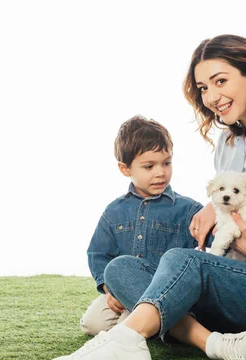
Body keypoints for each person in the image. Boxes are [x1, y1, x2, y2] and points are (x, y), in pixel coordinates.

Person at [46, 34, 246, 360]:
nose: (212, 96)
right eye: (204, 87)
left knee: (183, 260)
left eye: (220, 81)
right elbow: (232, 197)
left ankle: (127, 339)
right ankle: (216, 343)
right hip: (234, 289)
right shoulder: (227, 142)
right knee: (121, 269)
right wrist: (209, 207)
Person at [79, 114, 203, 337]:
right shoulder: (114, 211)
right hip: (120, 290)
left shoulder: (188, 209)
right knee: (92, 324)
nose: (160, 172)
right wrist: (109, 289)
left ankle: (164, 323)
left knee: (130, 326)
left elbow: (214, 244)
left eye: (167, 162)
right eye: (149, 166)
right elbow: (98, 254)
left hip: (164, 293)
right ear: (125, 169)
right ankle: (163, 328)